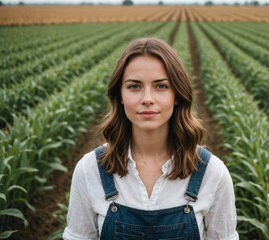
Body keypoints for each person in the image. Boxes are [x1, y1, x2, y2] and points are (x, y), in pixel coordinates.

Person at [63, 37, 239, 240]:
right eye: (134, 86)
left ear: (177, 96)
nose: (147, 98)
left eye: (161, 86)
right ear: (120, 95)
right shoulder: (90, 170)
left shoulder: (212, 173)